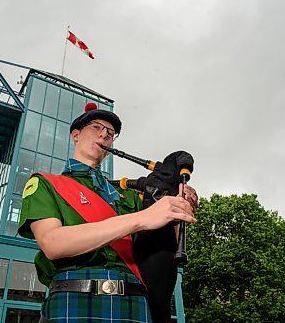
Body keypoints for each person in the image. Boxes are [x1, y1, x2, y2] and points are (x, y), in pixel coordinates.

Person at [18, 103, 198, 322]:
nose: (104, 134)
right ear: (76, 135)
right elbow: (53, 244)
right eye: (96, 127)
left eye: (111, 133)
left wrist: (175, 205)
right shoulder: (46, 183)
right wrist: (140, 218)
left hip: (134, 302)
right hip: (74, 297)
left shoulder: (128, 196)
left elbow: (161, 249)